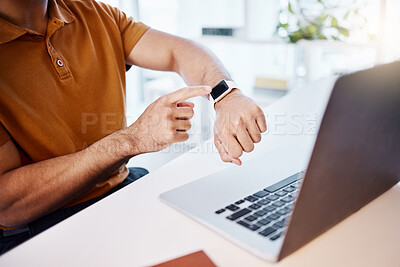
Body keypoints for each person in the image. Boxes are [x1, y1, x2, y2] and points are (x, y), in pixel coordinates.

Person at [0, 0, 266, 253]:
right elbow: (8, 205)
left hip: (120, 189)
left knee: (232, 230)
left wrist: (227, 96)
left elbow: (178, 51)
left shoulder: (93, 13)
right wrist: (132, 140)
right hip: (40, 228)